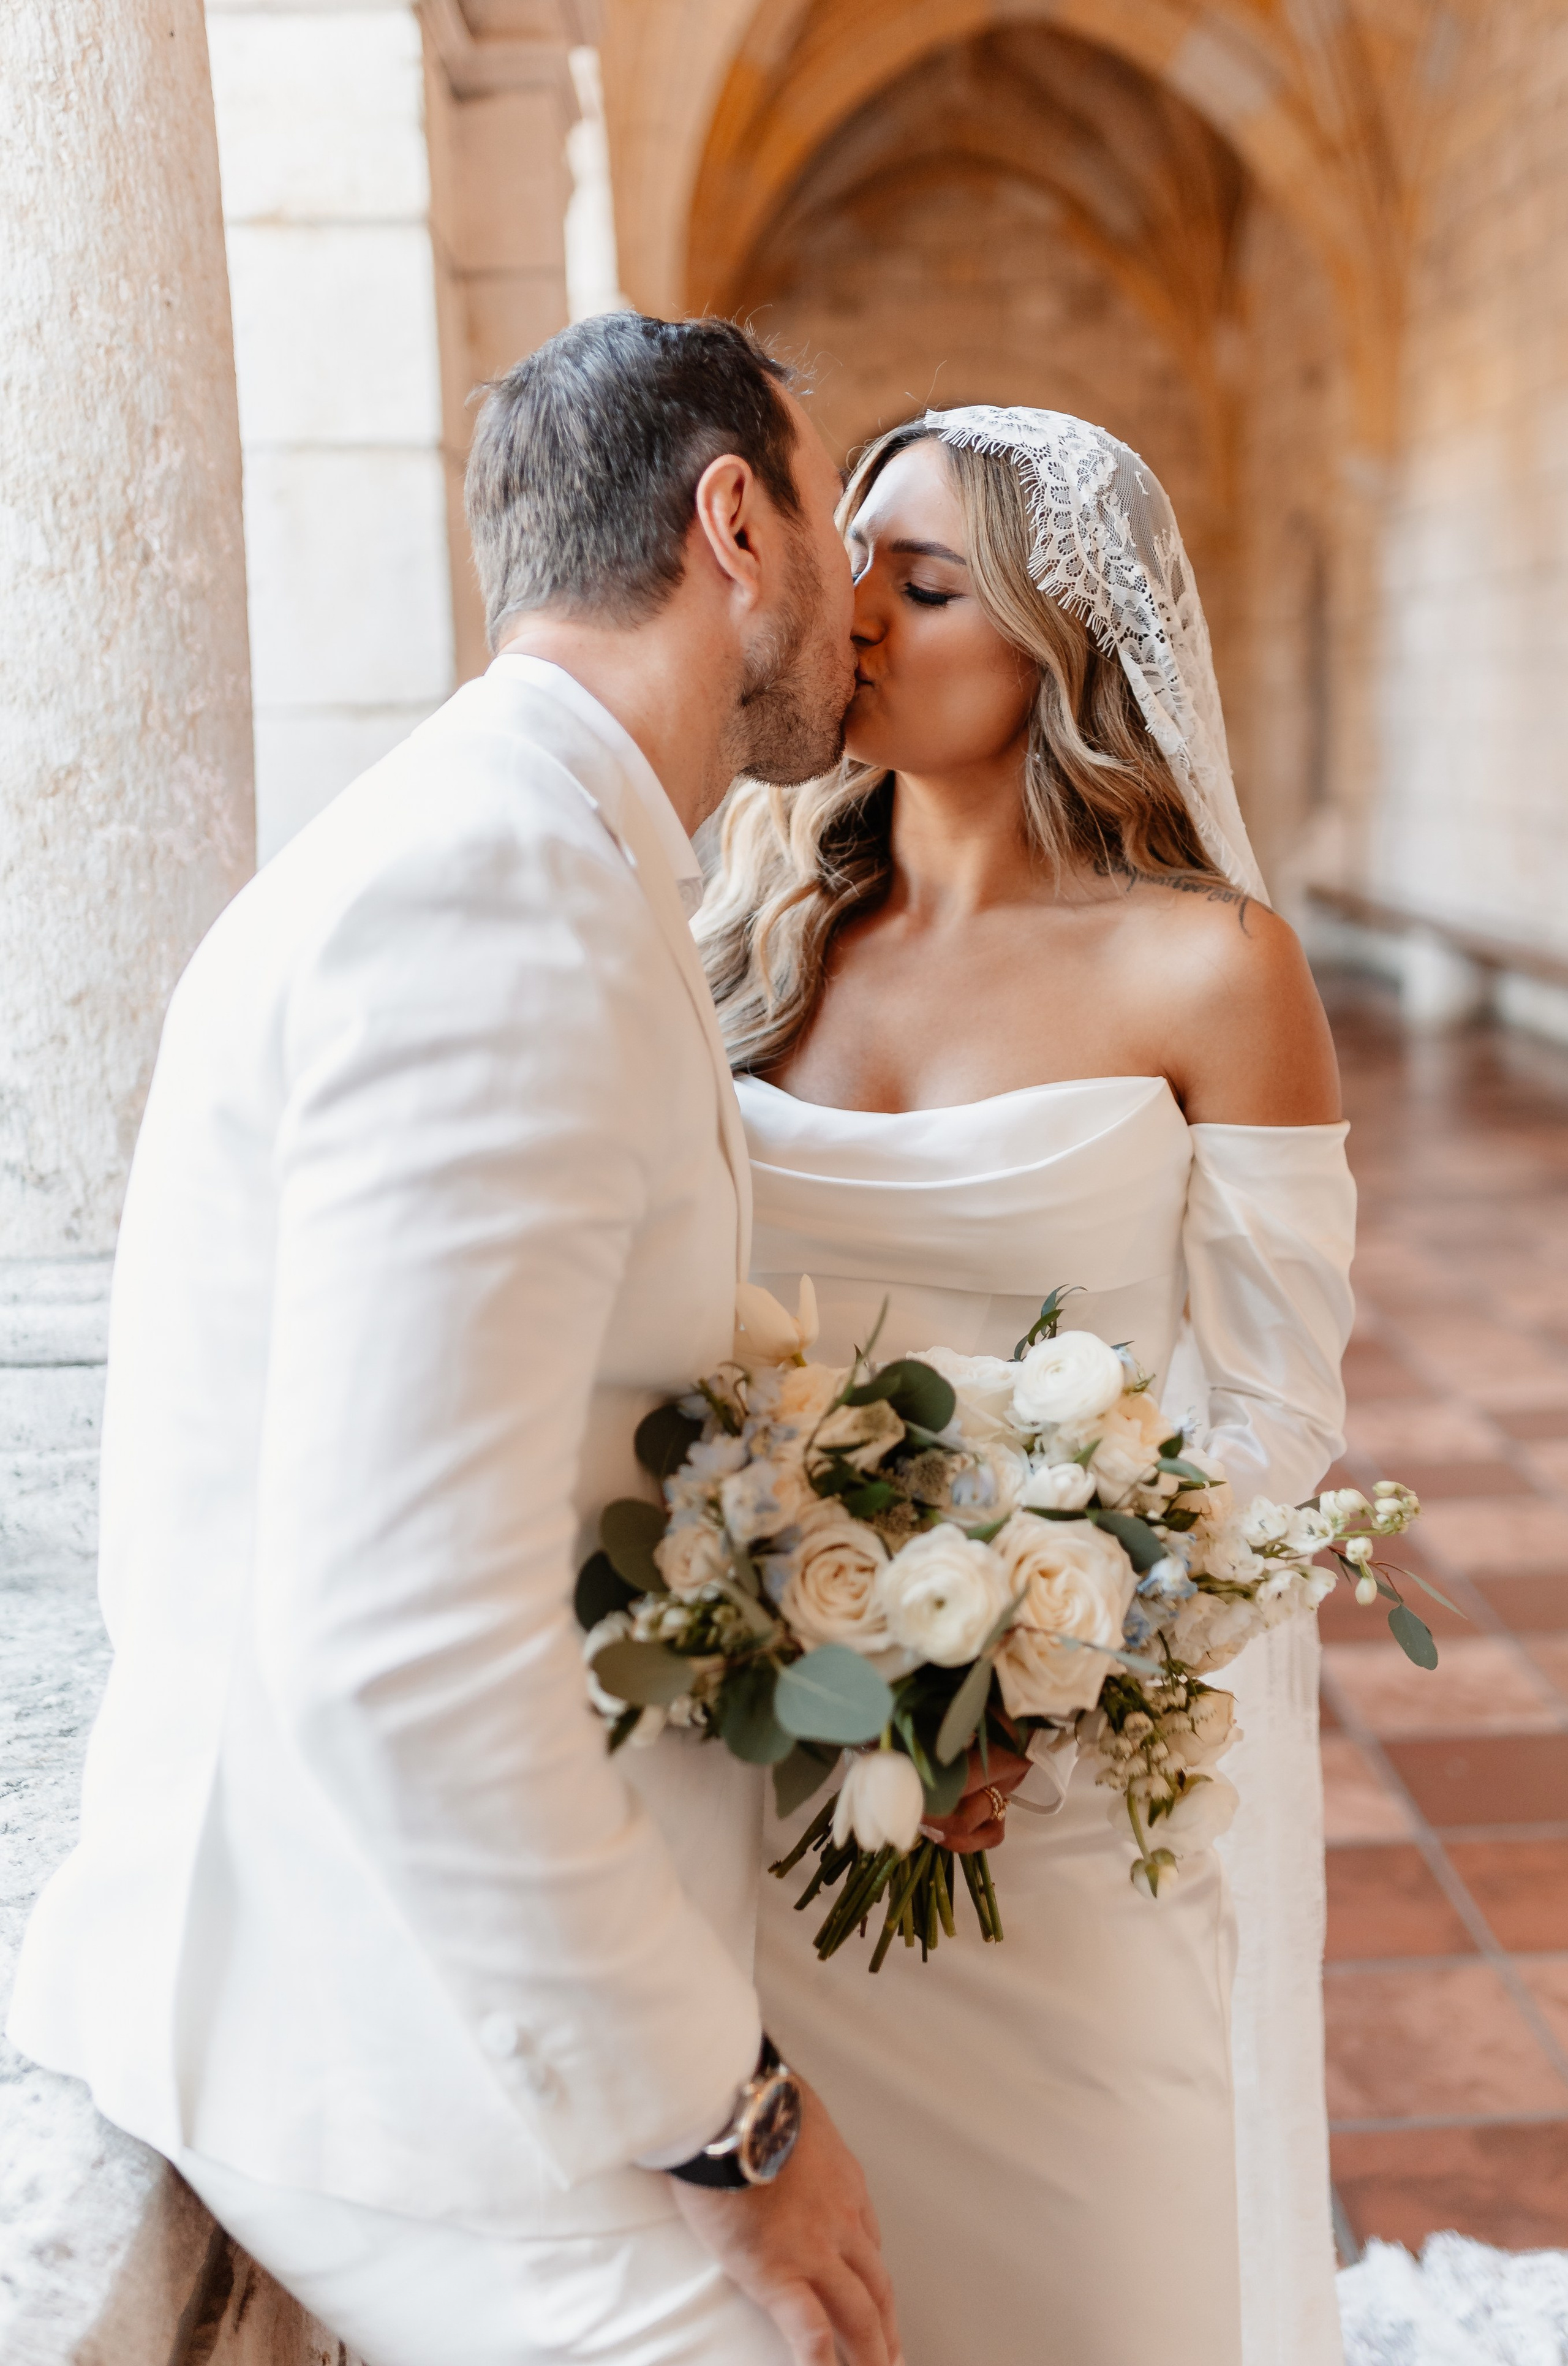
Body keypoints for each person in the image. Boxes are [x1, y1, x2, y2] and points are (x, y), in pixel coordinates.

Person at [6, 315, 903, 2366]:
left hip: (429, 1982)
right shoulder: (498, 894)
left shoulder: (529, 846)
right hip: (375, 2040)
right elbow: (398, 1640)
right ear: (736, 523)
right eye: (845, 526)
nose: (862, 600)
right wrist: (735, 2116)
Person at [698, 406, 1355, 2366]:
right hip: (773, 1749)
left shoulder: (1211, 967)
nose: (864, 614)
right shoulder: (751, 932)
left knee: (1096, 2277)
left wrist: (1057, 1677)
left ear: (1063, 638)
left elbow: (1278, 1411)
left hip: (1058, 1797)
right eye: (858, 564)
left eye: (929, 579)